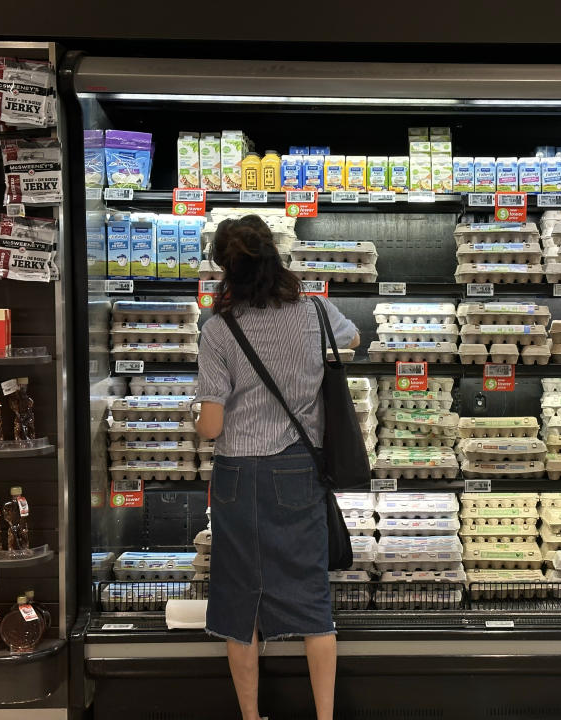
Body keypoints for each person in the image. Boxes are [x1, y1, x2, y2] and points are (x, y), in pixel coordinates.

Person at [194, 215, 360, 720]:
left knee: (240, 600)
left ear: (226, 269)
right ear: (275, 259)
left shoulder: (219, 331)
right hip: (296, 468)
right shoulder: (314, 312)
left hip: (238, 475)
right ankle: (325, 715)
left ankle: (251, 715)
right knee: (312, 599)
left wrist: (195, 413)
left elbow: (212, 426)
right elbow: (350, 341)